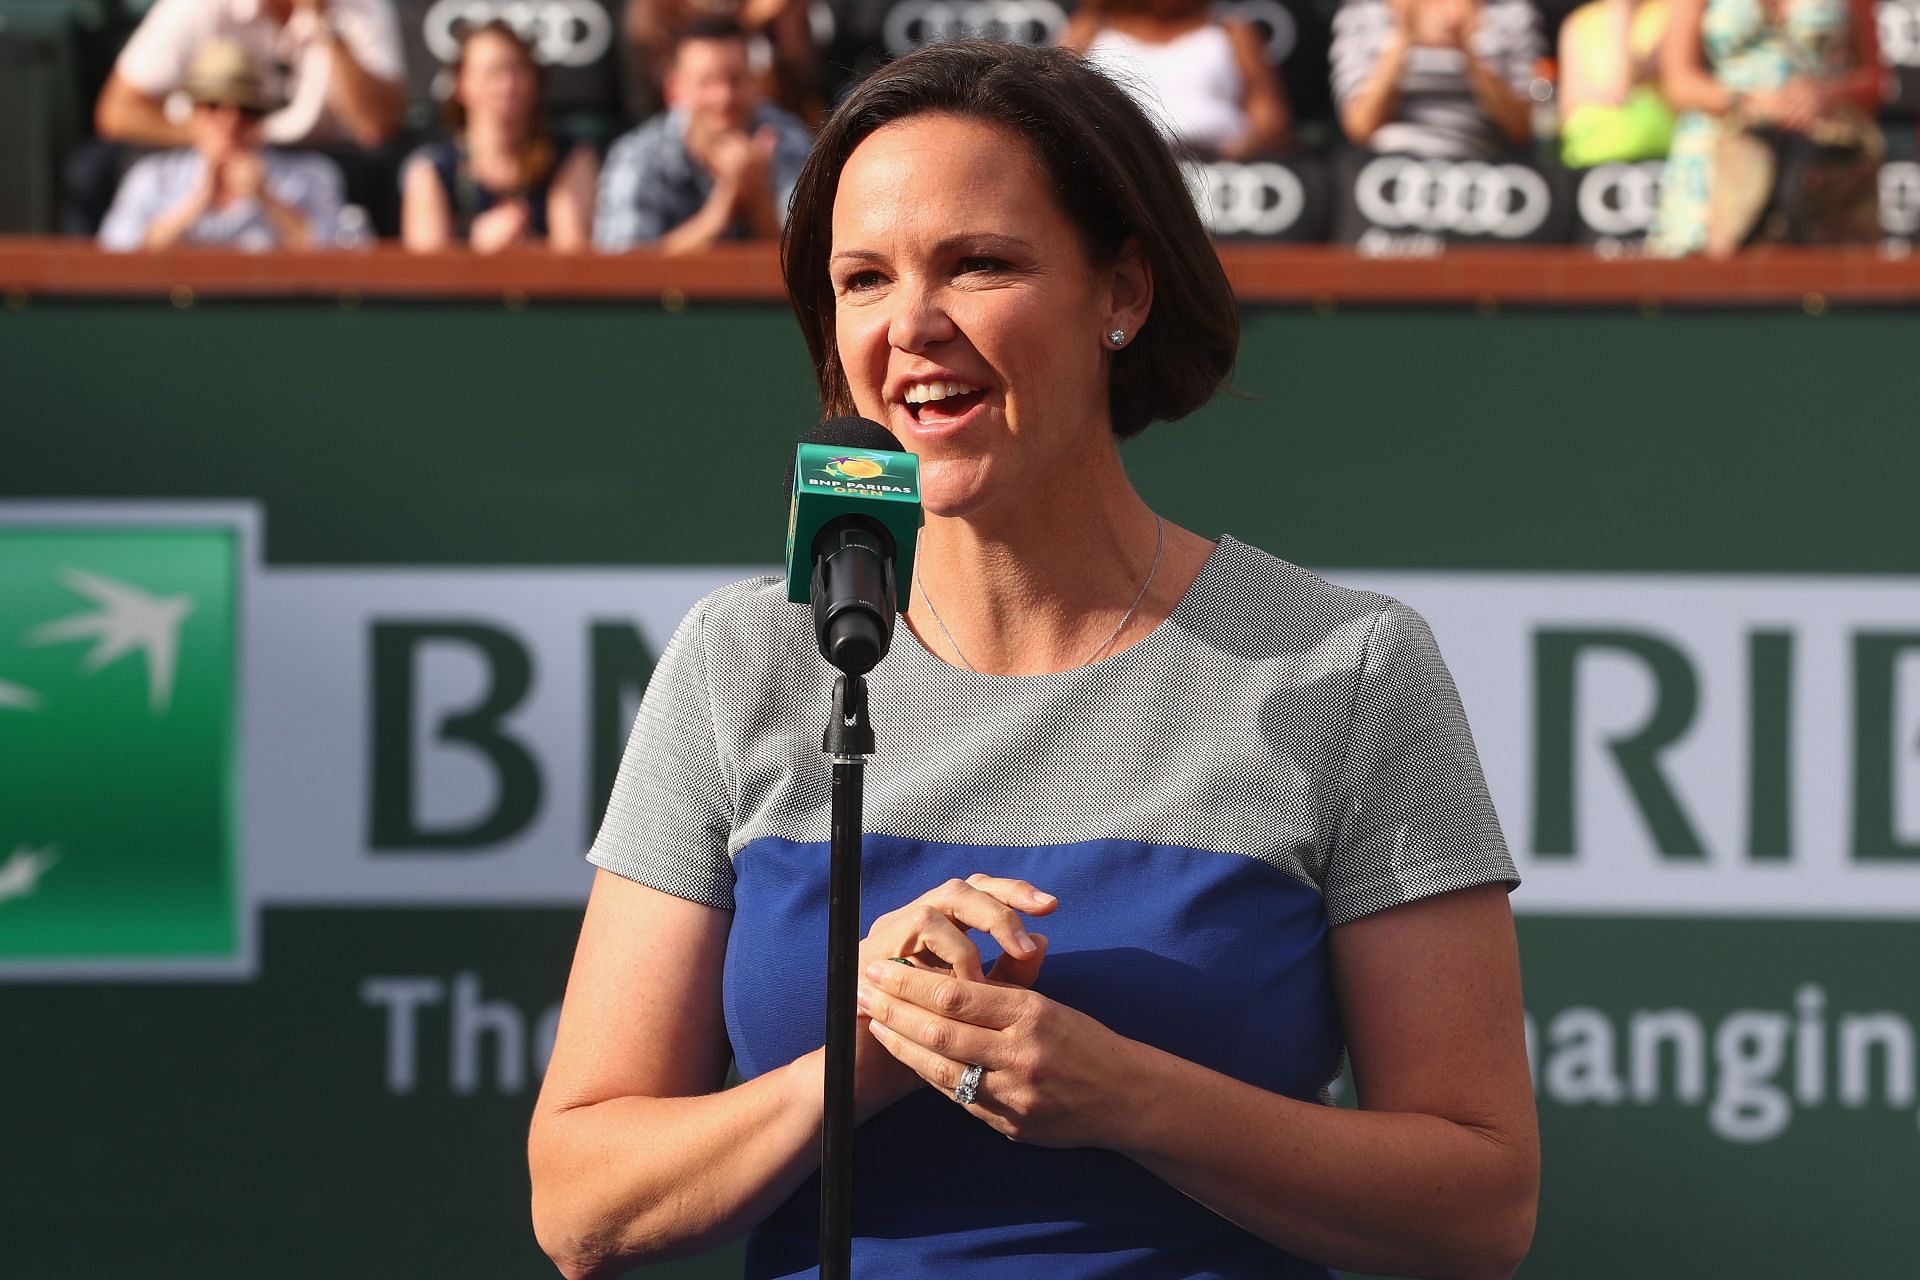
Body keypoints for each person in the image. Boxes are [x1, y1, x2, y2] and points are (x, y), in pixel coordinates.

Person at [530, 38, 1537, 1280]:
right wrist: (870, 1048)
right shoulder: (743, 657)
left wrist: (1129, 1096)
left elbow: (1481, 1206)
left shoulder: (1349, 667)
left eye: (981, 264)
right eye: (862, 279)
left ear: (1122, 292)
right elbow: (579, 1203)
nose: (911, 327)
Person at [1648, 0, 1884, 256]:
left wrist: (1825, 96)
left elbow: (1875, 78)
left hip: (1819, 166)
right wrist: (1746, 102)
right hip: (1719, 163)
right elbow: (1678, 84)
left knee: (1825, 282)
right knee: (1703, 283)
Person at [99, 39, 344, 251]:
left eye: (246, 110)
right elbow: (113, 257)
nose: (230, 121)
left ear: (263, 117)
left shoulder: (311, 178)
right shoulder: (151, 178)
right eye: (214, 105)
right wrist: (195, 204)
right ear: (193, 114)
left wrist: (267, 198)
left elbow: (347, 258)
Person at [593, 19, 812, 254]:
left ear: (756, 83)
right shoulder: (637, 156)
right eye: (706, 82)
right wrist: (718, 213)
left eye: (735, 79)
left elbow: (812, 265)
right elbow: (621, 270)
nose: (723, 97)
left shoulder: (788, 141)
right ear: (674, 89)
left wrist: (758, 199)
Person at [95, 0, 406, 150]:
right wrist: (210, 137)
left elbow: (377, 126)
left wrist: (325, 24)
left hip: (323, 167)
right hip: (210, 165)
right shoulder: (194, 7)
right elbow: (118, 111)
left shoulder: (362, 6)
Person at [400, 21, 598, 254]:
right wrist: (475, 247)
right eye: (492, 72)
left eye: (518, 69)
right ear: (462, 84)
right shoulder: (431, 171)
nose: (508, 85)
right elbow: (425, 272)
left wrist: (525, 251)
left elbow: (575, 257)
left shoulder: (569, 156)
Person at [1059, 0, 1293, 159]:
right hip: (1117, 169)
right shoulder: (1089, 29)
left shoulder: (1231, 31)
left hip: (1218, 174)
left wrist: (1236, 154)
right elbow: (1058, 102)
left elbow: (1270, 115)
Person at [1332, 0, 1543, 157]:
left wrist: (1467, 49)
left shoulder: (1511, 12)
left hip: (1480, 165)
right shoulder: (1365, 11)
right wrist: (1404, 35)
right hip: (1385, 167)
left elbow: (1522, 128)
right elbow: (1360, 127)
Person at [622, 0, 820, 122]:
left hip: (772, 127)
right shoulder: (657, 9)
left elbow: (807, 73)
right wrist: (749, 20)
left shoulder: (786, 136)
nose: (723, 95)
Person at [1556, 0, 1676, 167]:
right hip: (1589, 158)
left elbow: (1626, 77)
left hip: (1660, 154)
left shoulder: (1671, 11)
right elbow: (1566, 108)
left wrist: (1621, 15)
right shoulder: (1578, 21)